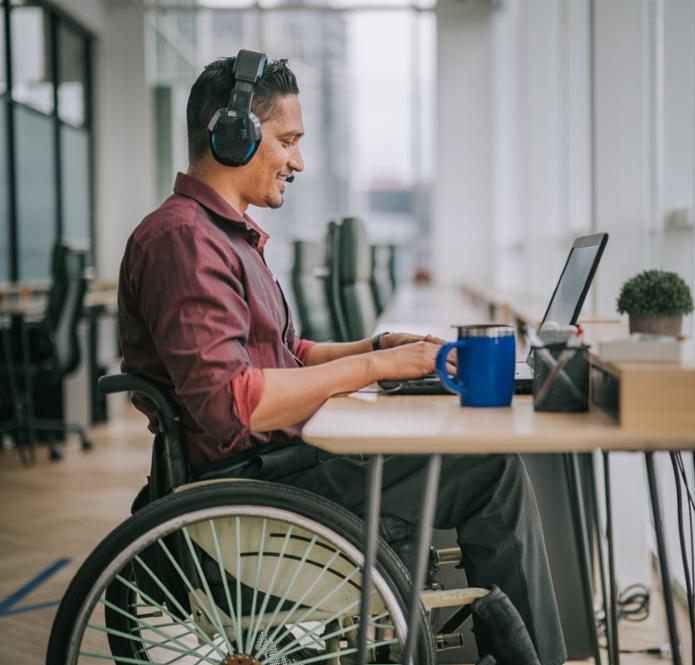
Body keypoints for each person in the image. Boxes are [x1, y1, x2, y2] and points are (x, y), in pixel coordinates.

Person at [116, 54, 566, 665]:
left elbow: (286, 354)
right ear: (233, 134)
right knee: (489, 468)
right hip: (253, 487)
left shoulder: (222, 235)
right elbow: (231, 405)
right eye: (288, 141)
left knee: (478, 460)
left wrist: (379, 349)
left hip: (281, 463)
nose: (298, 162)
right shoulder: (184, 240)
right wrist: (374, 371)